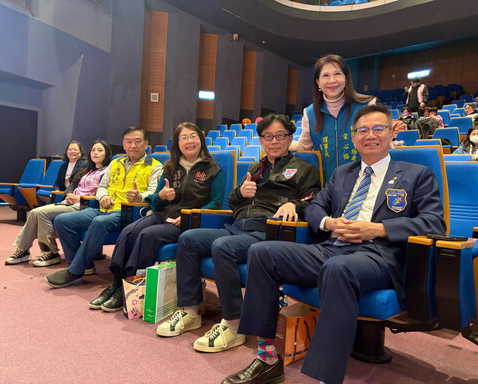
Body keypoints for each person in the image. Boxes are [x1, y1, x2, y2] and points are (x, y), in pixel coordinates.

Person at [223, 105, 446, 384]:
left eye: (378, 128)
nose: (370, 135)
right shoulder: (343, 173)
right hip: (332, 246)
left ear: (391, 133)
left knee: (338, 268)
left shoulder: (417, 174)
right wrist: (329, 223)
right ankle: (267, 359)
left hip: (378, 254)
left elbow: (434, 223)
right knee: (262, 252)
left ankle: (326, 378)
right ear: (354, 138)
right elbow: (315, 206)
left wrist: (377, 229)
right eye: (362, 130)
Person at [156, 114, 321, 353]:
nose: (274, 141)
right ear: (261, 141)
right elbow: (232, 203)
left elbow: (314, 200)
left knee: (223, 246)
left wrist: (295, 205)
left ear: (290, 138)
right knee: (188, 239)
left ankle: (234, 325)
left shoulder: (304, 168)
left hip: (268, 230)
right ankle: (191, 311)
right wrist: (241, 193)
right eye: (268, 136)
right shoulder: (255, 168)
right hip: (237, 227)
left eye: (280, 136)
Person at [89, 122, 225, 312]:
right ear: (177, 143)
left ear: (201, 140)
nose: (189, 141)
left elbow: (216, 202)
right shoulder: (170, 167)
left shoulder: (213, 170)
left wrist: (189, 215)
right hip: (163, 214)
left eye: (193, 136)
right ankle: (116, 284)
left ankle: (133, 286)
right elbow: (154, 198)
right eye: (183, 138)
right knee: (129, 231)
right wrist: (161, 196)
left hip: (187, 221)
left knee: (147, 235)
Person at [44, 127, 163, 288]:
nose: (133, 145)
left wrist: (140, 197)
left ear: (146, 143)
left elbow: (154, 192)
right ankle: (81, 266)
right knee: (62, 221)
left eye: (138, 141)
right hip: (104, 207)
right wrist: (103, 196)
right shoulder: (116, 162)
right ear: (123, 144)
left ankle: (74, 272)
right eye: (129, 142)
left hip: (128, 212)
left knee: (99, 222)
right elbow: (102, 186)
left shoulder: (154, 166)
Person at [5, 140, 111, 266]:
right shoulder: (87, 170)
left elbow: (103, 193)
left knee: (42, 213)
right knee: (34, 212)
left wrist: (80, 198)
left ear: (107, 154)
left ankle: (51, 252)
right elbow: (72, 185)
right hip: (70, 202)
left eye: (100, 150)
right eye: (93, 150)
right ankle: (23, 250)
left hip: (84, 206)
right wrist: (69, 195)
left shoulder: (107, 172)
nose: (95, 153)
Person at [290, 54, 375, 184]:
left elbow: (377, 141)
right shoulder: (310, 113)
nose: (332, 80)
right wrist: (281, 142)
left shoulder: (367, 106)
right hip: (326, 187)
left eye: (337, 74)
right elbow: (303, 146)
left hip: (363, 185)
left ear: (346, 79)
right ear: (318, 82)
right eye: (325, 75)